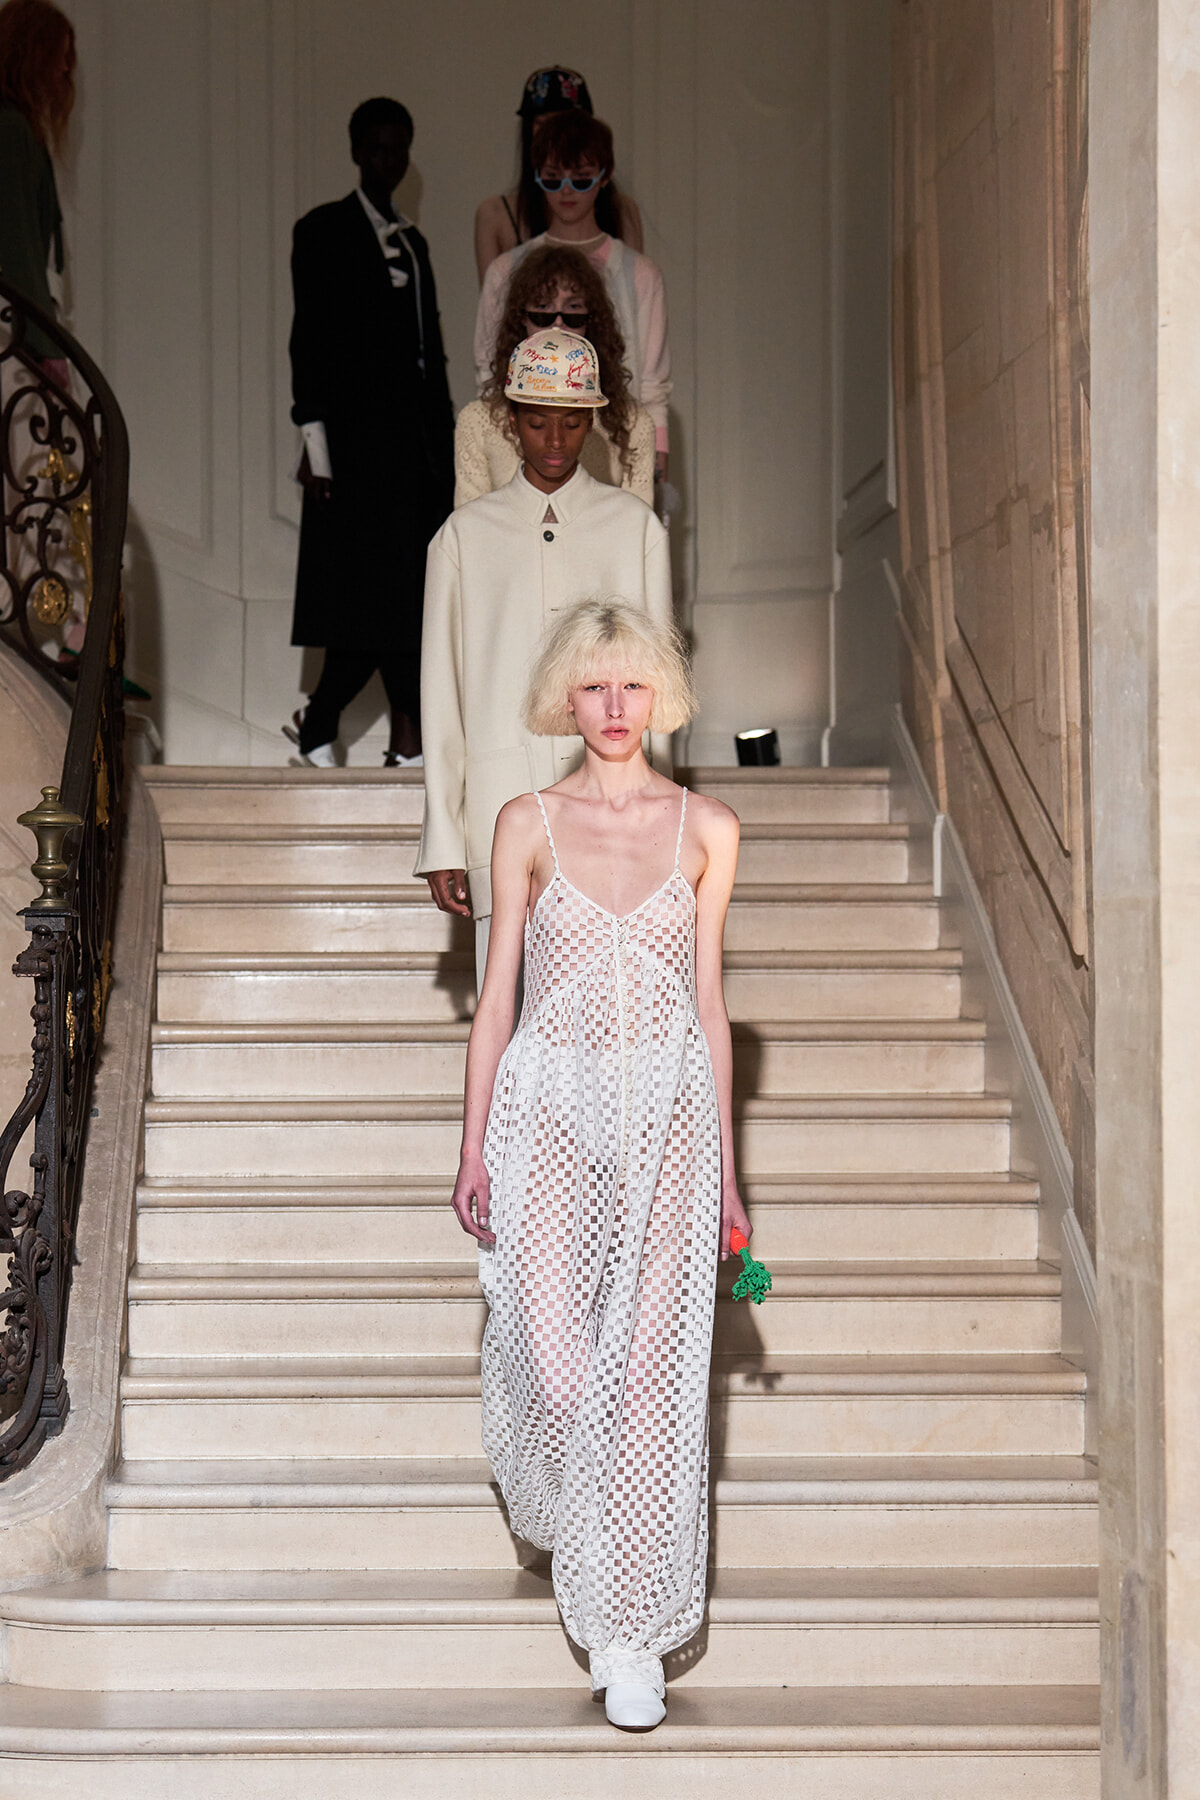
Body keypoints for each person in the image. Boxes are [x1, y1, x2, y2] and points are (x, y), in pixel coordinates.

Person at [450, 598, 749, 1730]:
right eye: (593, 686)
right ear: (565, 700)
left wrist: (725, 1171)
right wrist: (472, 1140)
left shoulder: (707, 828)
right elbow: (495, 1002)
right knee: (561, 1362)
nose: (615, 708)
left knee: (654, 1381)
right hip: (548, 1123)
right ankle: (592, 1547)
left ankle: (629, 1641)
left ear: (659, 694)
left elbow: (712, 1011)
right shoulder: (525, 822)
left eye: (632, 686)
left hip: (670, 1127)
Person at [416, 329, 671, 984]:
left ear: (590, 421)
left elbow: (660, 691)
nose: (554, 442)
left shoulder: (635, 529)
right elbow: (441, 697)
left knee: (615, 1027)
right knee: (508, 1030)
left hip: (618, 814)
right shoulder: (462, 539)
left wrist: (662, 819)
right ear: (510, 421)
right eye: (536, 422)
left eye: (569, 423)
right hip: (501, 809)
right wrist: (446, 838)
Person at [284, 96, 453, 768]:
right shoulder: (321, 230)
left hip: (413, 453)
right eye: (378, 148)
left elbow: (427, 351)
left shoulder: (416, 242)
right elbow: (309, 344)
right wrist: (316, 447)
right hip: (352, 451)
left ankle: (371, 734)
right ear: (356, 152)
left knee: (406, 595)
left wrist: (445, 450)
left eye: (399, 149)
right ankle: (338, 728)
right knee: (373, 599)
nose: (389, 160)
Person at [476, 110, 670, 482]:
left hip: (617, 441)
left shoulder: (640, 274)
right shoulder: (506, 271)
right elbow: (488, 368)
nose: (566, 191)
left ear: (605, 177)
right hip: (526, 447)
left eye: (581, 180)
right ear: (536, 179)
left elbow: (652, 383)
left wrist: (658, 459)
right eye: (552, 179)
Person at [455, 243, 654, 507]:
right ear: (521, 320)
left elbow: (638, 531)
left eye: (573, 311)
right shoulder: (477, 421)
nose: (557, 325)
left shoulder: (633, 424)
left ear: (591, 322)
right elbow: (470, 529)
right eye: (542, 310)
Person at [474, 65, 643, 282]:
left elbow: (636, 295)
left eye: (565, 123)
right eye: (543, 125)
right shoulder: (496, 214)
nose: (555, 135)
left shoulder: (621, 209)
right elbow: (493, 310)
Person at [0, 0, 74, 377]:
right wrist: (47, 345)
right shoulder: (11, 131)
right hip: (16, 337)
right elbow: (19, 244)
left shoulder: (17, 129)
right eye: (57, 56)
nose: (64, 69)